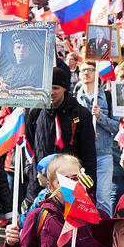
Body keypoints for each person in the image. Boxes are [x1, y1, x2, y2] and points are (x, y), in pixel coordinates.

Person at [25, 68, 97, 206]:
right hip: (40, 183)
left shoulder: (80, 114)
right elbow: (29, 148)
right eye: (48, 87)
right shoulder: (35, 111)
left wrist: (89, 191)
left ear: (64, 88)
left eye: (56, 88)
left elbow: (88, 155)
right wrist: (31, 176)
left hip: (69, 185)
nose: (51, 92)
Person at [73, 59, 118, 217]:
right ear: (79, 75)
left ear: (96, 72)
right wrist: (85, 134)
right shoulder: (73, 99)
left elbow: (118, 127)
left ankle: (103, 236)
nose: (86, 73)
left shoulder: (107, 97)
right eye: (83, 70)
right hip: (81, 157)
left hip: (103, 155)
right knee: (82, 199)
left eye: (90, 69)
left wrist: (100, 117)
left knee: (103, 200)